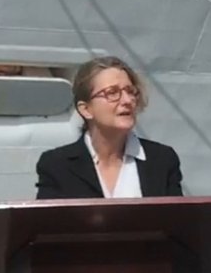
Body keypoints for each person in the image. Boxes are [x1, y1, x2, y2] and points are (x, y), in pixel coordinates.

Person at [35, 56, 182, 199]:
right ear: (86, 109)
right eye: (112, 93)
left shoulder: (162, 160)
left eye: (130, 91)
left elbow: (178, 215)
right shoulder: (57, 165)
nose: (127, 100)